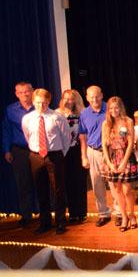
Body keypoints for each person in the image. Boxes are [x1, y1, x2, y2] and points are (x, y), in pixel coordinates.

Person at [22, 88, 70, 234]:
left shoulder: (58, 117)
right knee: (41, 190)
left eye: (43, 103)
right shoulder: (27, 118)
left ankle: (61, 222)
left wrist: (59, 154)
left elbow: (66, 138)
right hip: (36, 156)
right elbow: (27, 136)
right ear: (33, 101)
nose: (40, 106)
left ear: (48, 101)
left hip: (54, 156)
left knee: (58, 190)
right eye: (37, 102)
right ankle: (45, 223)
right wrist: (36, 151)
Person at [79, 85, 117, 226]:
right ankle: (103, 214)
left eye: (97, 96)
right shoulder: (84, 114)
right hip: (93, 151)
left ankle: (119, 213)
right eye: (91, 97)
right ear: (87, 98)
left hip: (111, 152)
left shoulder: (111, 108)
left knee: (114, 184)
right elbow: (83, 136)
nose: (94, 99)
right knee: (97, 185)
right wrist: (84, 156)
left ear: (102, 95)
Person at [101, 96, 138, 232]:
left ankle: (132, 215)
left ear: (121, 108)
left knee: (127, 190)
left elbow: (130, 143)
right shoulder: (106, 124)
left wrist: (124, 162)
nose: (114, 110)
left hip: (126, 158)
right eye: (111, 108)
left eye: (116, 107)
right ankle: (124, 217)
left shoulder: (128, 121)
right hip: (112, 159)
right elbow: (104, 145)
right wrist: (109, 163)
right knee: (117, 191)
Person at [4, 81, 35, 227]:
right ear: (16, 94)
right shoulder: (10, 110)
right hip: (19, 151)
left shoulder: (40, 107)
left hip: (37, 150)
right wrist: (6, 150)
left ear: (32, 91)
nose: (24, 95)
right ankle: (26, 215)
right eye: (21, 92)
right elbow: (6, 131)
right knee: (23, 184)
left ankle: (45, 213)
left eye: (27, 91)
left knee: (41, 182)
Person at [58, 88, 87, 224]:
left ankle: (80, 213)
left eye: (71, 99)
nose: (69, 101)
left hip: (77, 150)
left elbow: (84, 136)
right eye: (66, 98)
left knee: (79, 182)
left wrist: (84, 155)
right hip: (63, 152)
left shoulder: (82, 114)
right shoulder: (57, 114)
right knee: (67, 182)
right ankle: (71, 213)